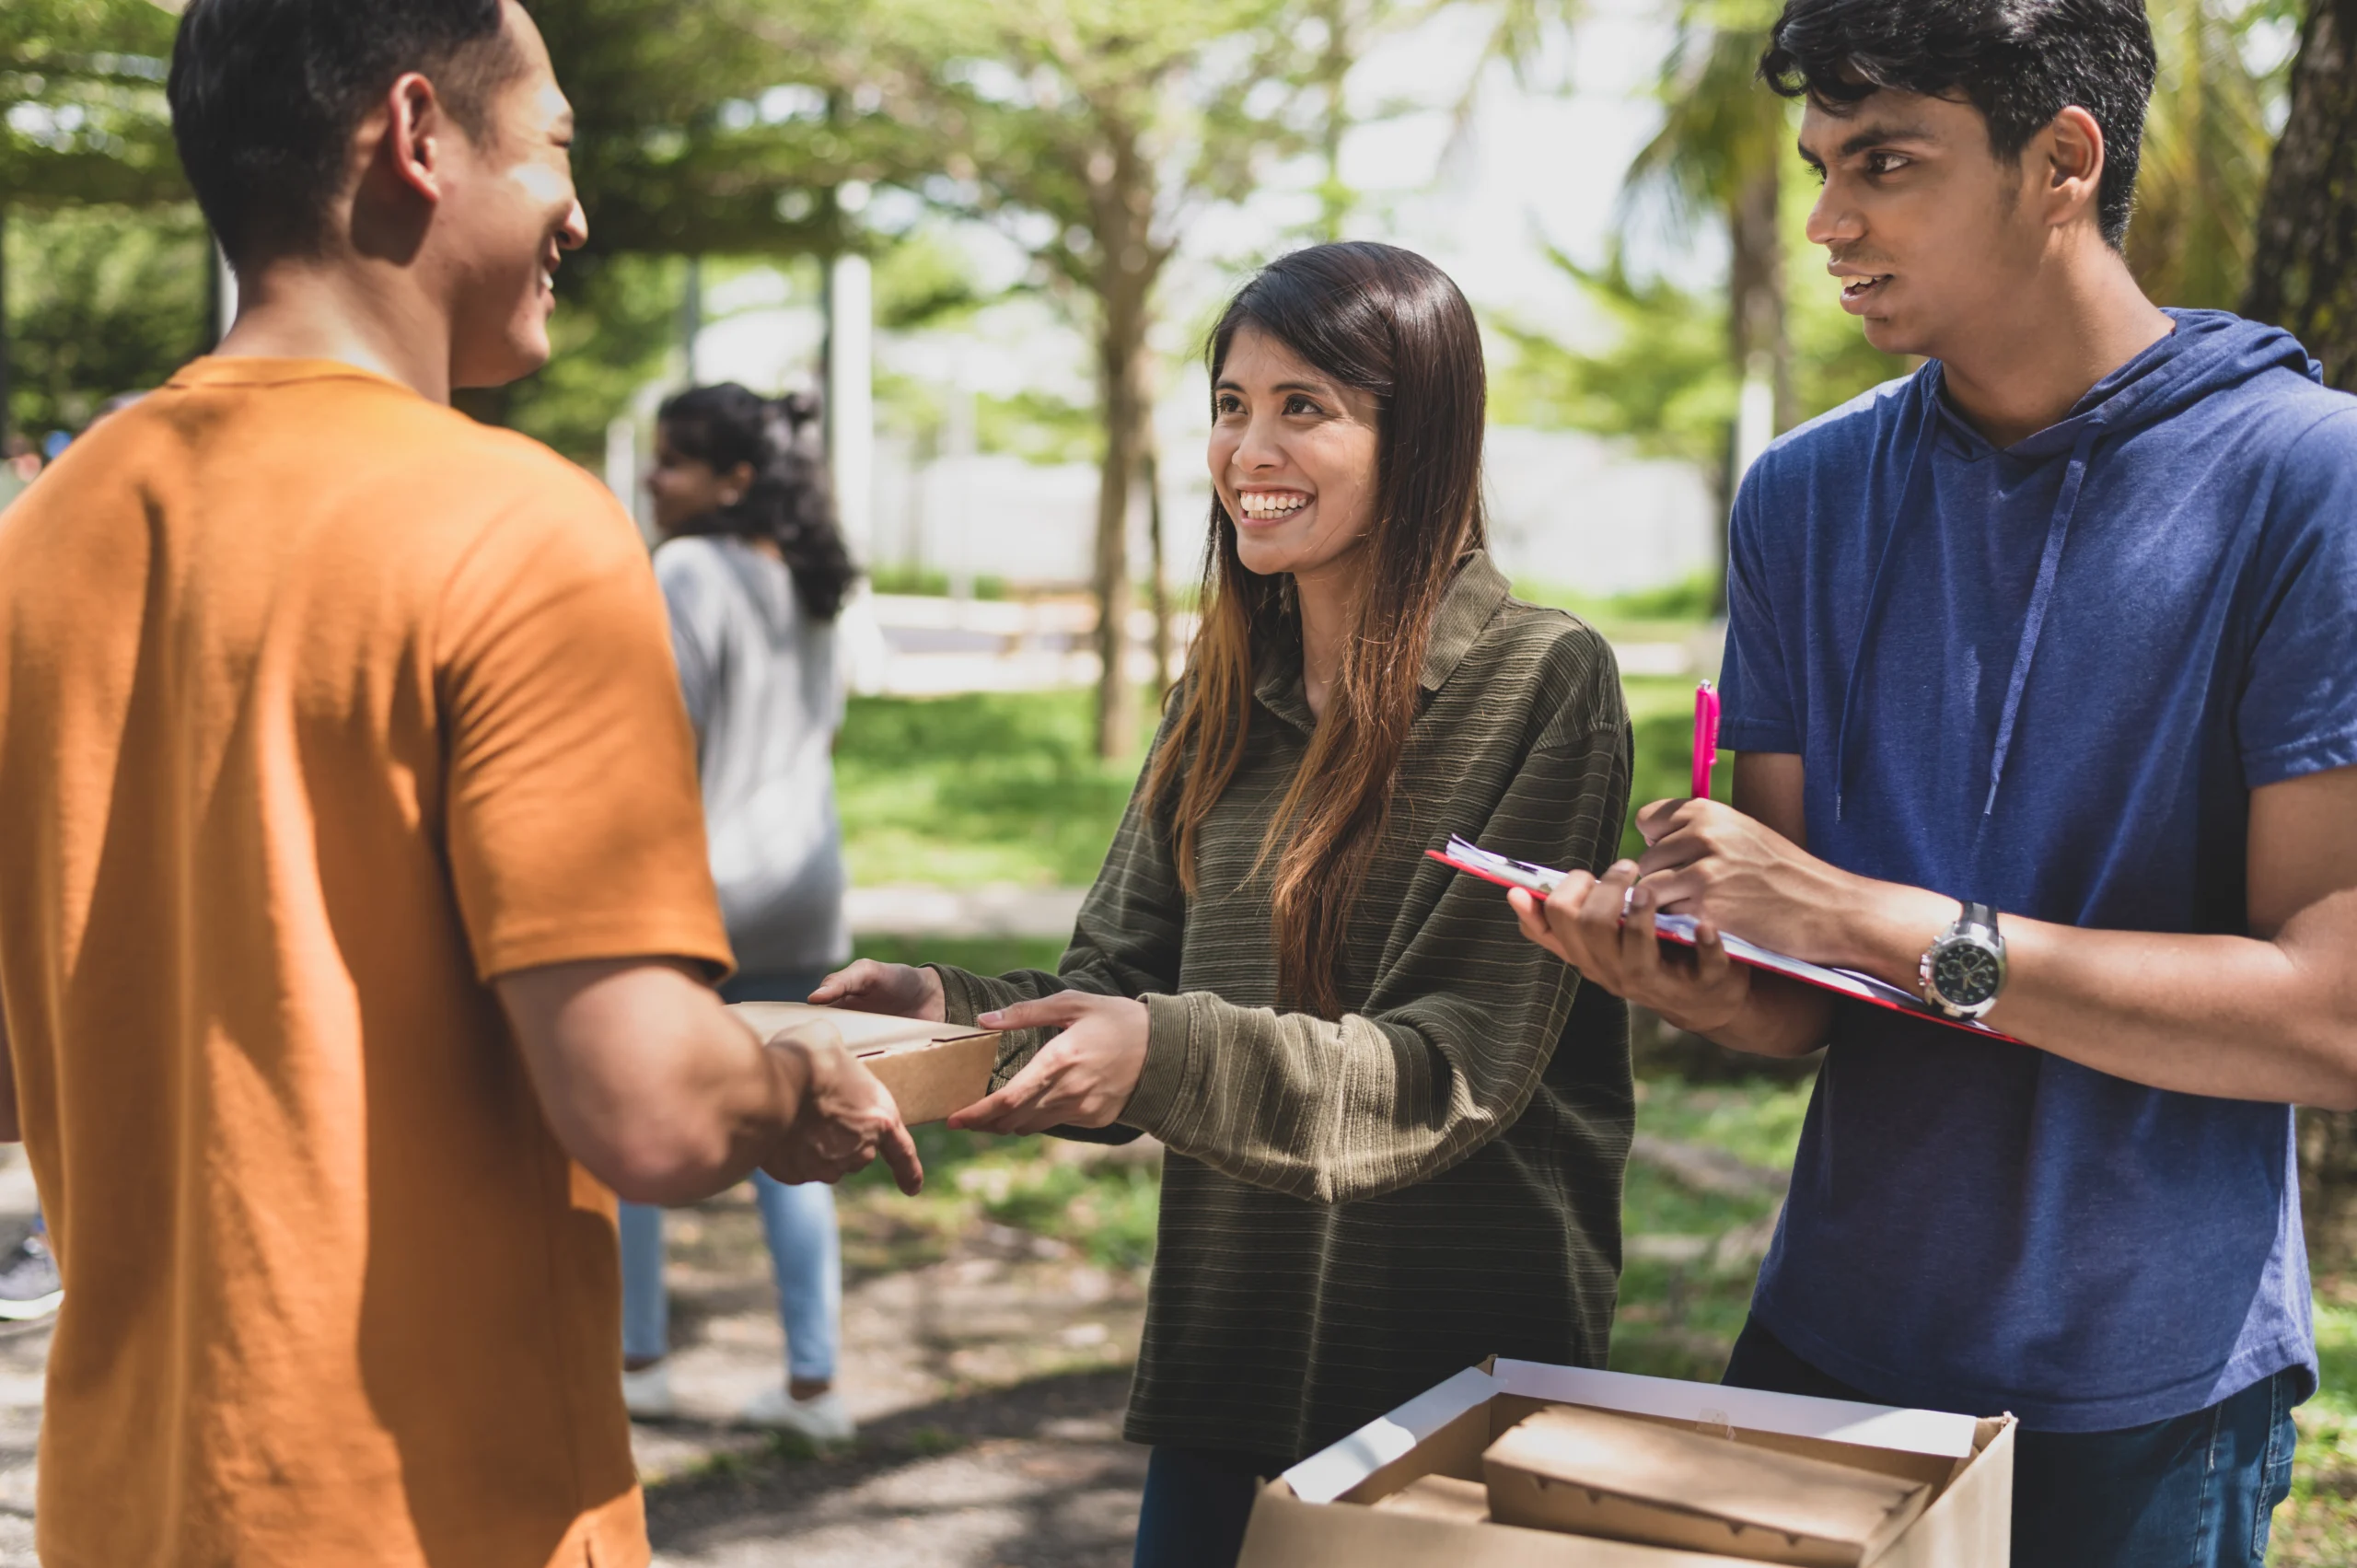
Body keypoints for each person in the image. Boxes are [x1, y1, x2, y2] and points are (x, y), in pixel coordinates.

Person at [0, 4, 922, 1565]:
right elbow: (639, 1098)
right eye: (556, 144)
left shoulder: (46, 532)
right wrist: (790, 1089)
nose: (583, 206)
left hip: (129, 1505)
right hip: (442, 1510)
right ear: (419, 137)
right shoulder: (521, 527)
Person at [1512, 3, 2357, 1564]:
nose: (1830, 219)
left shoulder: (2308, 479)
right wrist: (1690, 966)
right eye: (1823, 163)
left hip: (2140, 1401)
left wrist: (1873, 918)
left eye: (1885, 163)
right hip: (1831, 1350)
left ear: (2061, 159)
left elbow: (2329, 1015)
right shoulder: (1806, 497)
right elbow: (1799, 995)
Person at [819, 240, 1637, 1568]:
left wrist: (1163, 1053)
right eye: (1230, 404)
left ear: (1417, 435)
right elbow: (1115, 986)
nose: (1249, 445)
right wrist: (946, 1015)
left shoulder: (1542, 679)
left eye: (1303, 405)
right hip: (1227, 1362)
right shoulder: (1217, 702)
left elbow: (1452, 1070)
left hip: (1453, 1385)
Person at [620, 384, 862, 1442]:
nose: (650, 478)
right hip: (808, 886)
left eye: (670, 461)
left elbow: (663, 742)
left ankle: (639, 1360)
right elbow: (828, 728)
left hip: (702, 893)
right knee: (793, 1125)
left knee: (625, 1121)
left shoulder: (683, 569)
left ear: (732, 478)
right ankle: (816, 1385)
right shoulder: (809, 578)